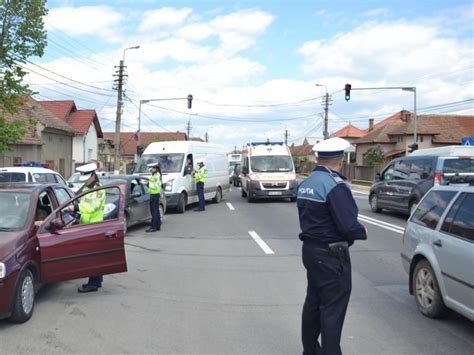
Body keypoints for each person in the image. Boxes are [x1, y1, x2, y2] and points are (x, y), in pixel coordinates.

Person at [297, 137, 367, 355]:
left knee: (313, 303)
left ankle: (310, 350)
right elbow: (348, 225)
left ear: (318, 158)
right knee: (332, 311)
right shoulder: (335, 186)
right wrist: (361, 232)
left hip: (310, 251)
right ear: (341, 160)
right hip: (331, 254)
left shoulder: (306, 183)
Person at [74, 162, 107, 293]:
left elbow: (92, 207)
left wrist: (76, 207)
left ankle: (93, 284)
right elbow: (80, 200)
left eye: (86, 179)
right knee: (94, 256)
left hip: (95, 227)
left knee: (93, 257)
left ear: (93, 176)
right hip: (87, 226)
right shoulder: (87, 188)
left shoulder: (99, 190)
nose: (85, 182)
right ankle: (97, 281)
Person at [146, 162, 161, 232]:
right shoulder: (155, 175)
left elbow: (156, 186)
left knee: (154, 212)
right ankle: (157, 226)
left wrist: (148, 184)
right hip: (154, 194)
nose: (150, 169)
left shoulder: (156, 176)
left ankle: (153, 227)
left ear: (156, 168)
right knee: (156, 211)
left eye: (152, 168)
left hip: (154, 195)